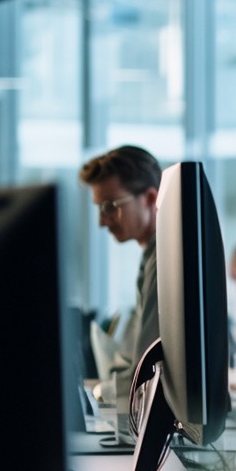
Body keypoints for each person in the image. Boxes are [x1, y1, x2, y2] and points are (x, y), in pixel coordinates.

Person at [79, 145, 163, 400]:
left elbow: (146, 371)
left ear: (149, 198)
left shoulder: (165, 259)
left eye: (109, 206)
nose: (101, 222)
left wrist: (100, 392)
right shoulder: (152, 255)